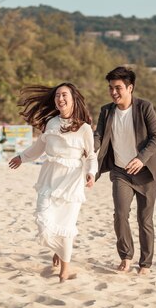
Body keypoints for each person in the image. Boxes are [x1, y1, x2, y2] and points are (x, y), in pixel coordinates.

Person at [8, 83, 97, 282]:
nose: (60, 98)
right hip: (49, 178)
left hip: (72, 182)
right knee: (44, 225)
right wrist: (22, 157)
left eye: (64, 95)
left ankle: (65, 269)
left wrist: (91, 173)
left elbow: (91, 156)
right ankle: (58, 248)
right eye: (57, 95)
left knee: (65, 226)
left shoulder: (84, 128)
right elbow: (39, 146)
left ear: (74, 99)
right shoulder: (51, 123)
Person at [93, 66, 156, 275]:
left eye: (118, 88)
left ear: (130, 87)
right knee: (120, 215)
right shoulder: (106, 111)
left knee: (144, 220)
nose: (113, 92)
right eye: (110, 88)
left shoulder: (144, 107)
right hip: (120, 171)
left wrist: (142, 159)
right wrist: (88, 148)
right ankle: (125, 256)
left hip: (146, 173)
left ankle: (145, 263)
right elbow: (98, 136)